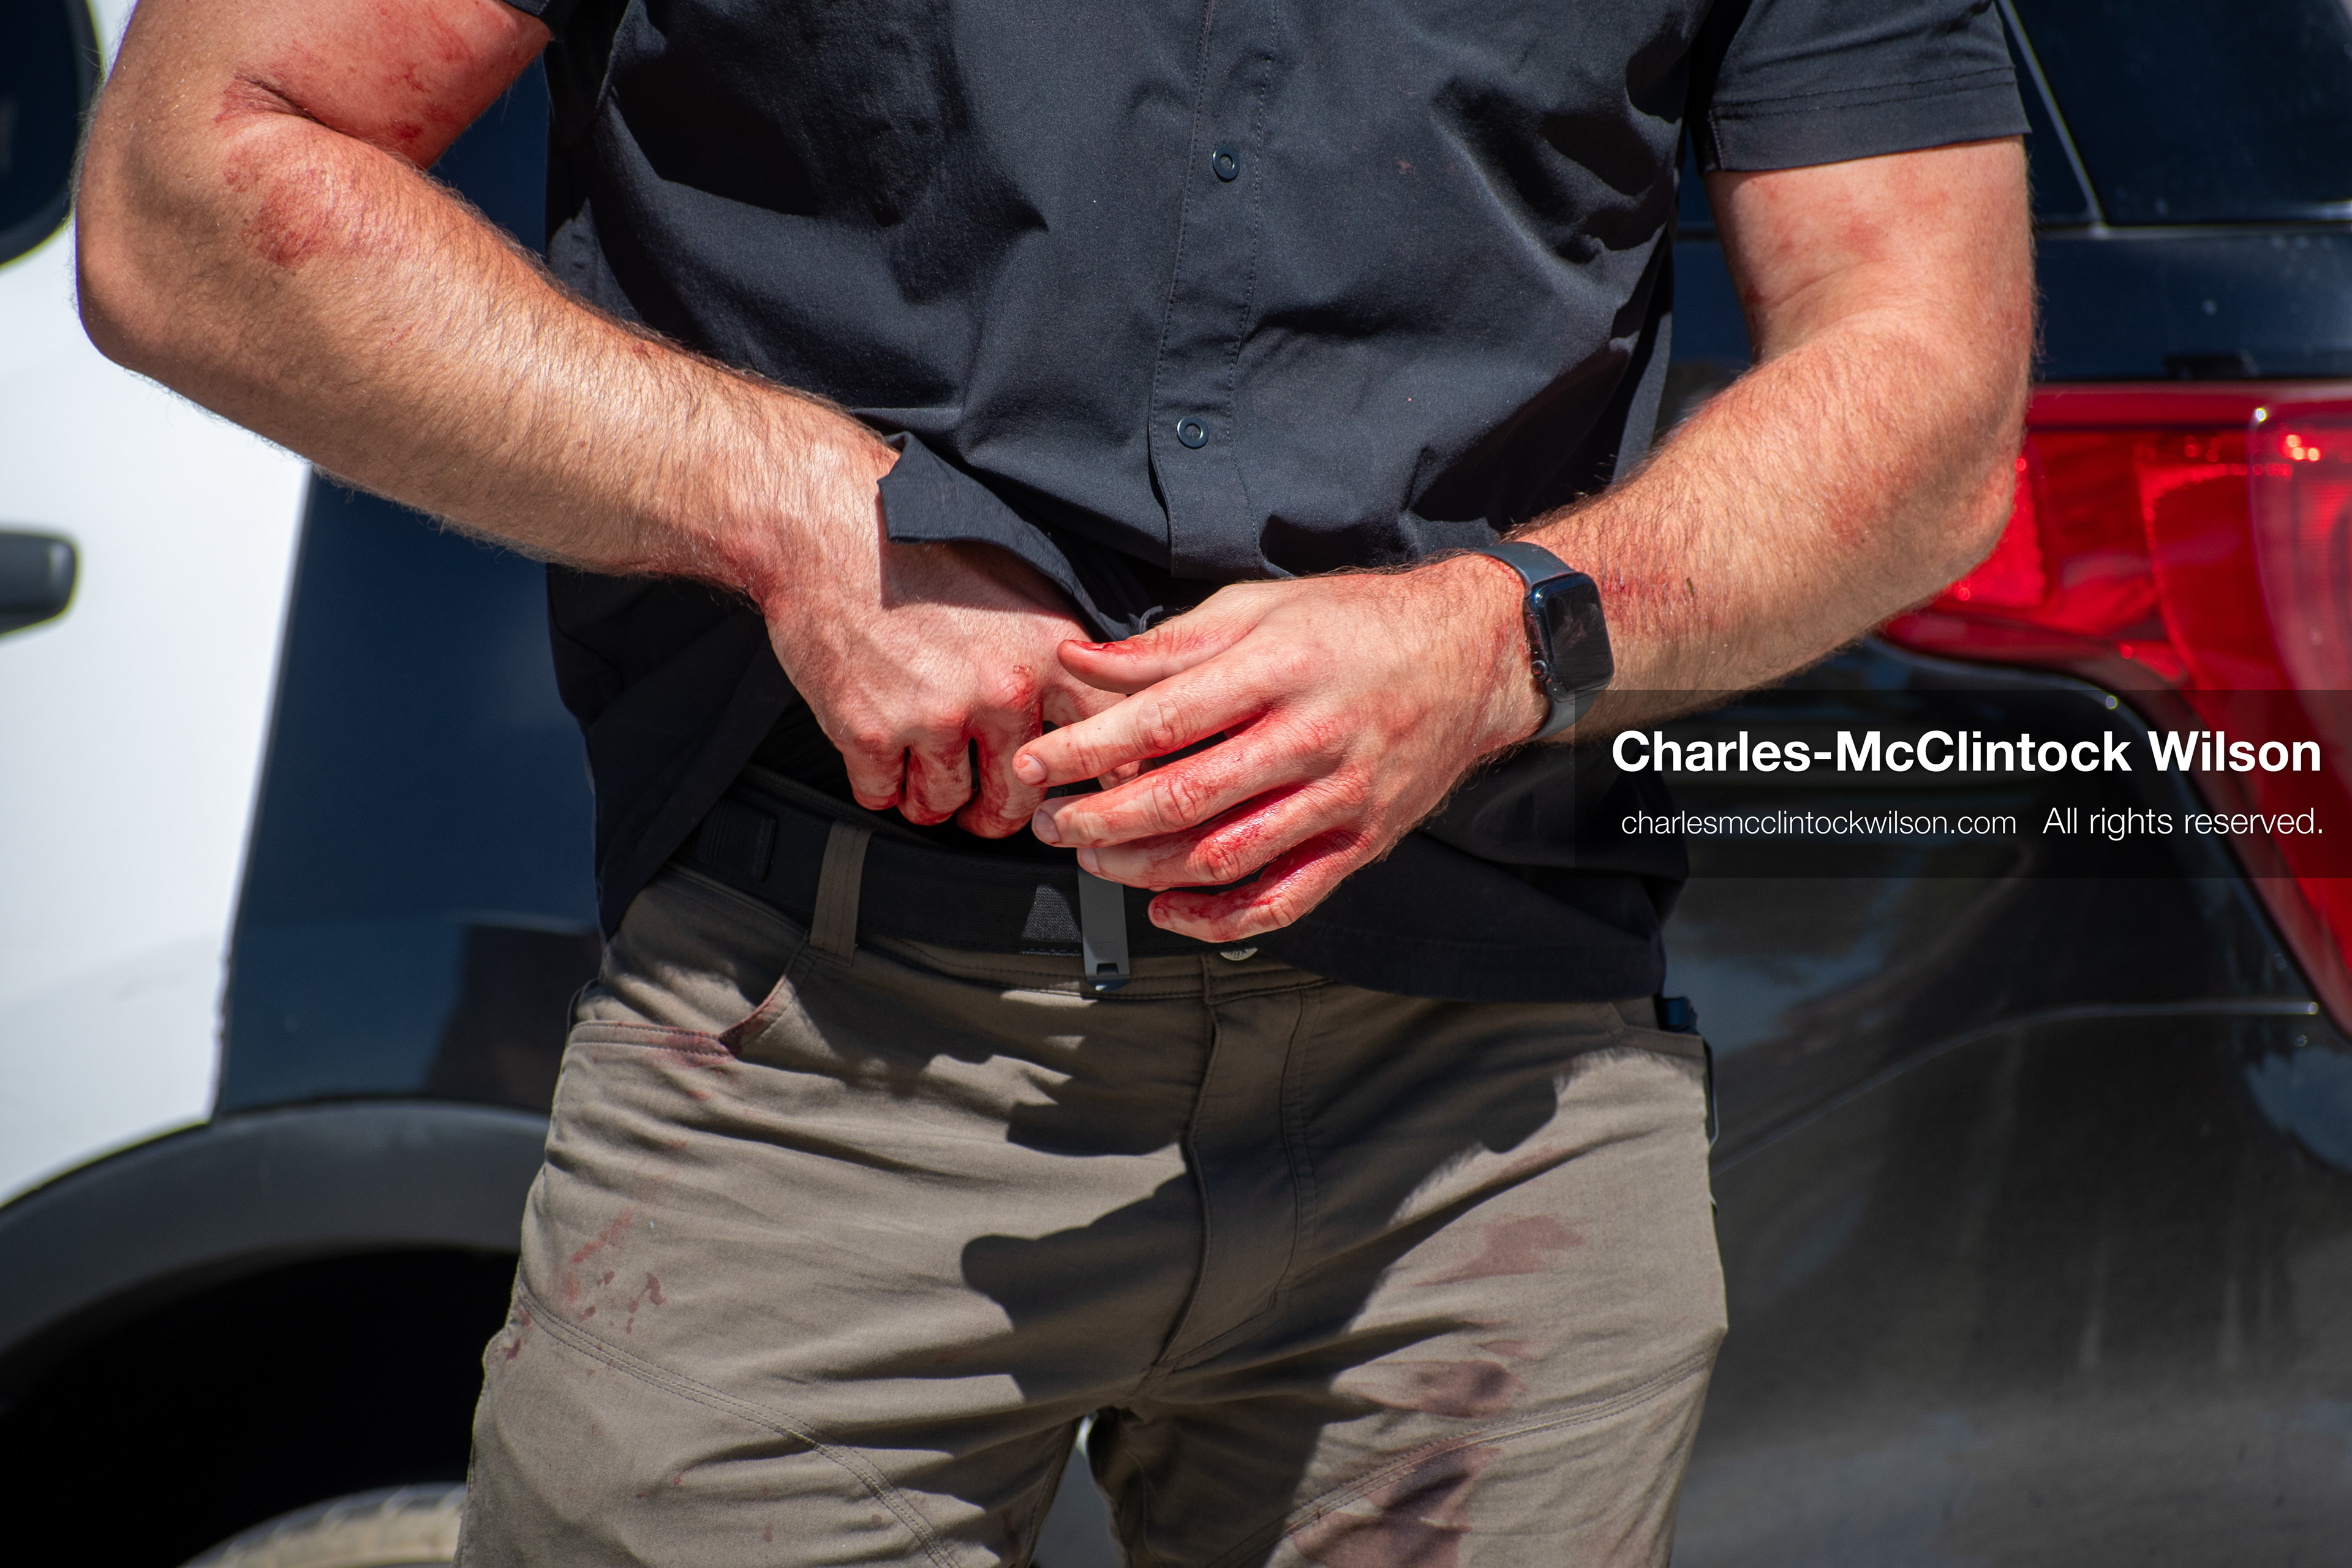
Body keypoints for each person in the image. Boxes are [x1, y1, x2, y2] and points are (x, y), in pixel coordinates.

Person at [77, 0, 2032, 1561]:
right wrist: (796, 513)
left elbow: (1933, 388)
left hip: (1490, 1106)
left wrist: (1486, 642)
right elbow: (190, 186)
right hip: (831, 1056)